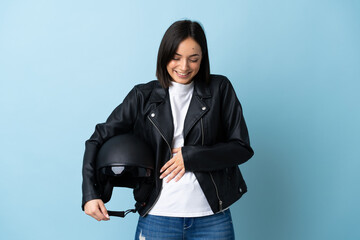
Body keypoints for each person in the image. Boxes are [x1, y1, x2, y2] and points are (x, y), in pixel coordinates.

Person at [82, 20, 254, 239]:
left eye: (194, 59)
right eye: (176, 57)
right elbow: (96, 139)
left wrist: (191, 156)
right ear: (164, 55)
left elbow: (241, 148)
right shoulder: (142, 96)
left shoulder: (220, 89)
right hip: (158, 217)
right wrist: (90, 194)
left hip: (212, 218)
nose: (184, 67)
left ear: (203, 59)